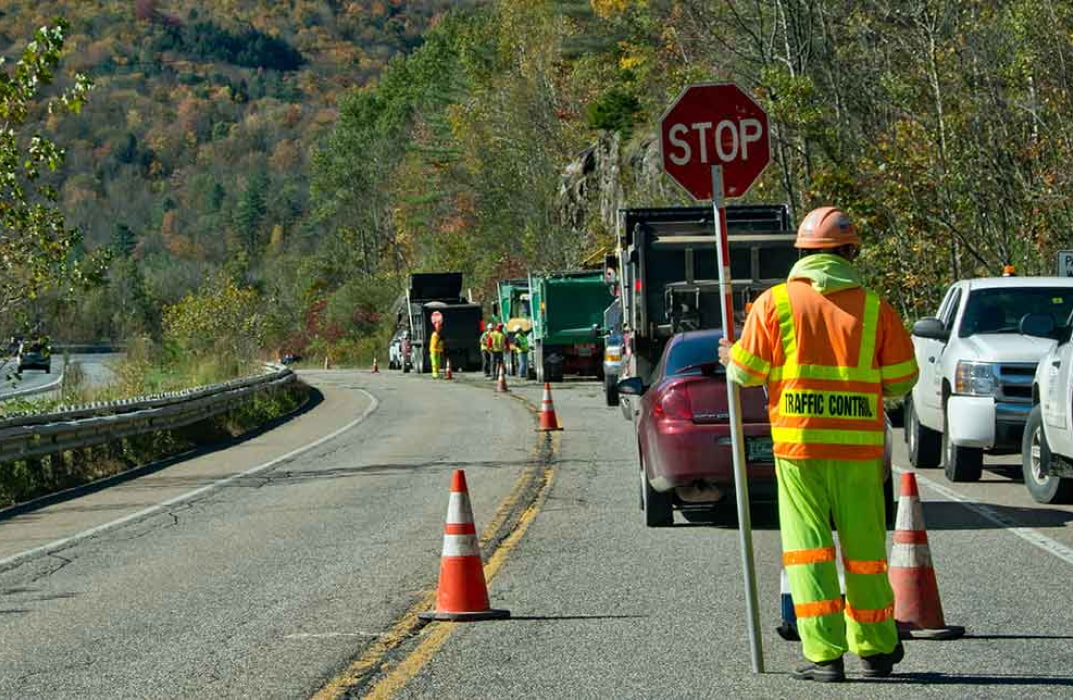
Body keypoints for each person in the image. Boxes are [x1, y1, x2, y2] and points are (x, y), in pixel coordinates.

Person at [718, 206, 918, 682]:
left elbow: (745, 374)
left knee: (808, 550)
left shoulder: (774, 304)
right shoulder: (874, 308)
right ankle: (875, 650)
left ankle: (824, 655)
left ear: (802, 253)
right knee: (866, 553)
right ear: (850, 253)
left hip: (799, 448)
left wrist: (732, 355)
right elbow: (903, 379)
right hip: (859, 453)